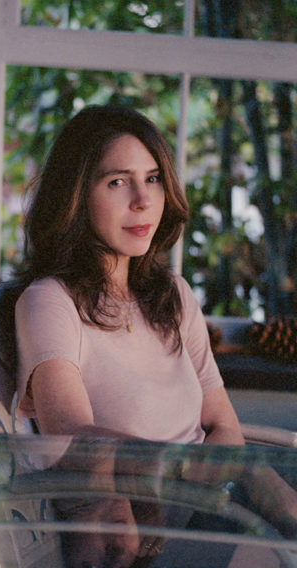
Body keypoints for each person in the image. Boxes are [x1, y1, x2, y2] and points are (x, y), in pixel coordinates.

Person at [14, 104, 244, 446]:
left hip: (202, 478)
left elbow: (225, 426)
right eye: (118, 182)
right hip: (134, 481)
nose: (143, 200)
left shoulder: (174, 294)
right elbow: (71, 439)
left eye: (152, 178)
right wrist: (180, 471)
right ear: (75, 195)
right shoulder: (50, 301)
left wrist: (208, 474)